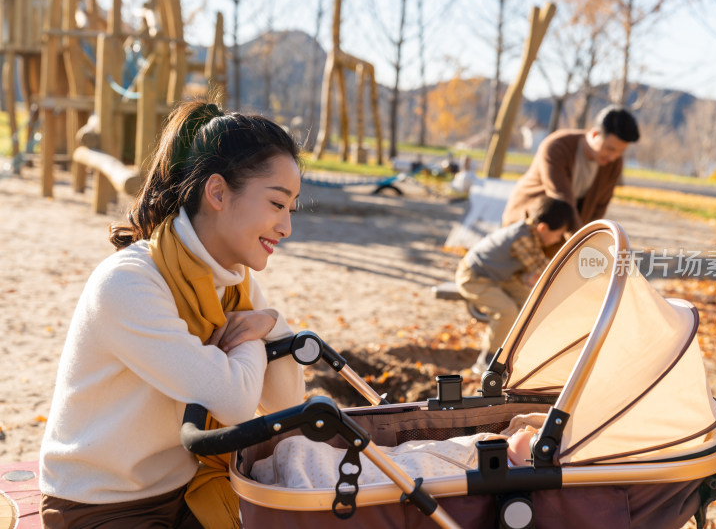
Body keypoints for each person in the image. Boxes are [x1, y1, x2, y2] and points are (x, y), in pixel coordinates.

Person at [38, 98, 306, 529]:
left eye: (290, 210)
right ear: (217, 192)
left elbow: (286, 402)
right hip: (100, 503)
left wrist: (272, 323)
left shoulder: (236, 281)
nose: (286, 227)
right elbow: (236, 401)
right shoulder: (129, 283)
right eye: (276, 204)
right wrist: (258, 333)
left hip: (185, 490)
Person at [250, 414, 541, 488]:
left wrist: (528, 440)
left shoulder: (514, 472)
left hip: (416, 476)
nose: (527, 430)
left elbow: (526, 448)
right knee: (384, 458)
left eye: (536, 437)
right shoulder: (485, 445)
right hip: (403, 458)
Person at [455, 196, 573, 370]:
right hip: (474, 277)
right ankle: (488, 360)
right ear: (543, 227)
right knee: (506, 311)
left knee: (528, 305)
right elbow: (544, 270)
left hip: (498, 276)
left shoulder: (531, 234)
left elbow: (528, 270)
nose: (557, 240)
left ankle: (514, 353)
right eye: (558, 235)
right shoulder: (522, 238)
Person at [502, 105, 640, 234]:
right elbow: (562, 198)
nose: (613, 156)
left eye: (620, 152)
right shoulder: (557, 147)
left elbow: (599, 207)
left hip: (562, 234)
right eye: (610, 149)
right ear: (594, 134)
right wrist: (582, 241)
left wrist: (592, 237)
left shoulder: (614, 163)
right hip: (528, 223)